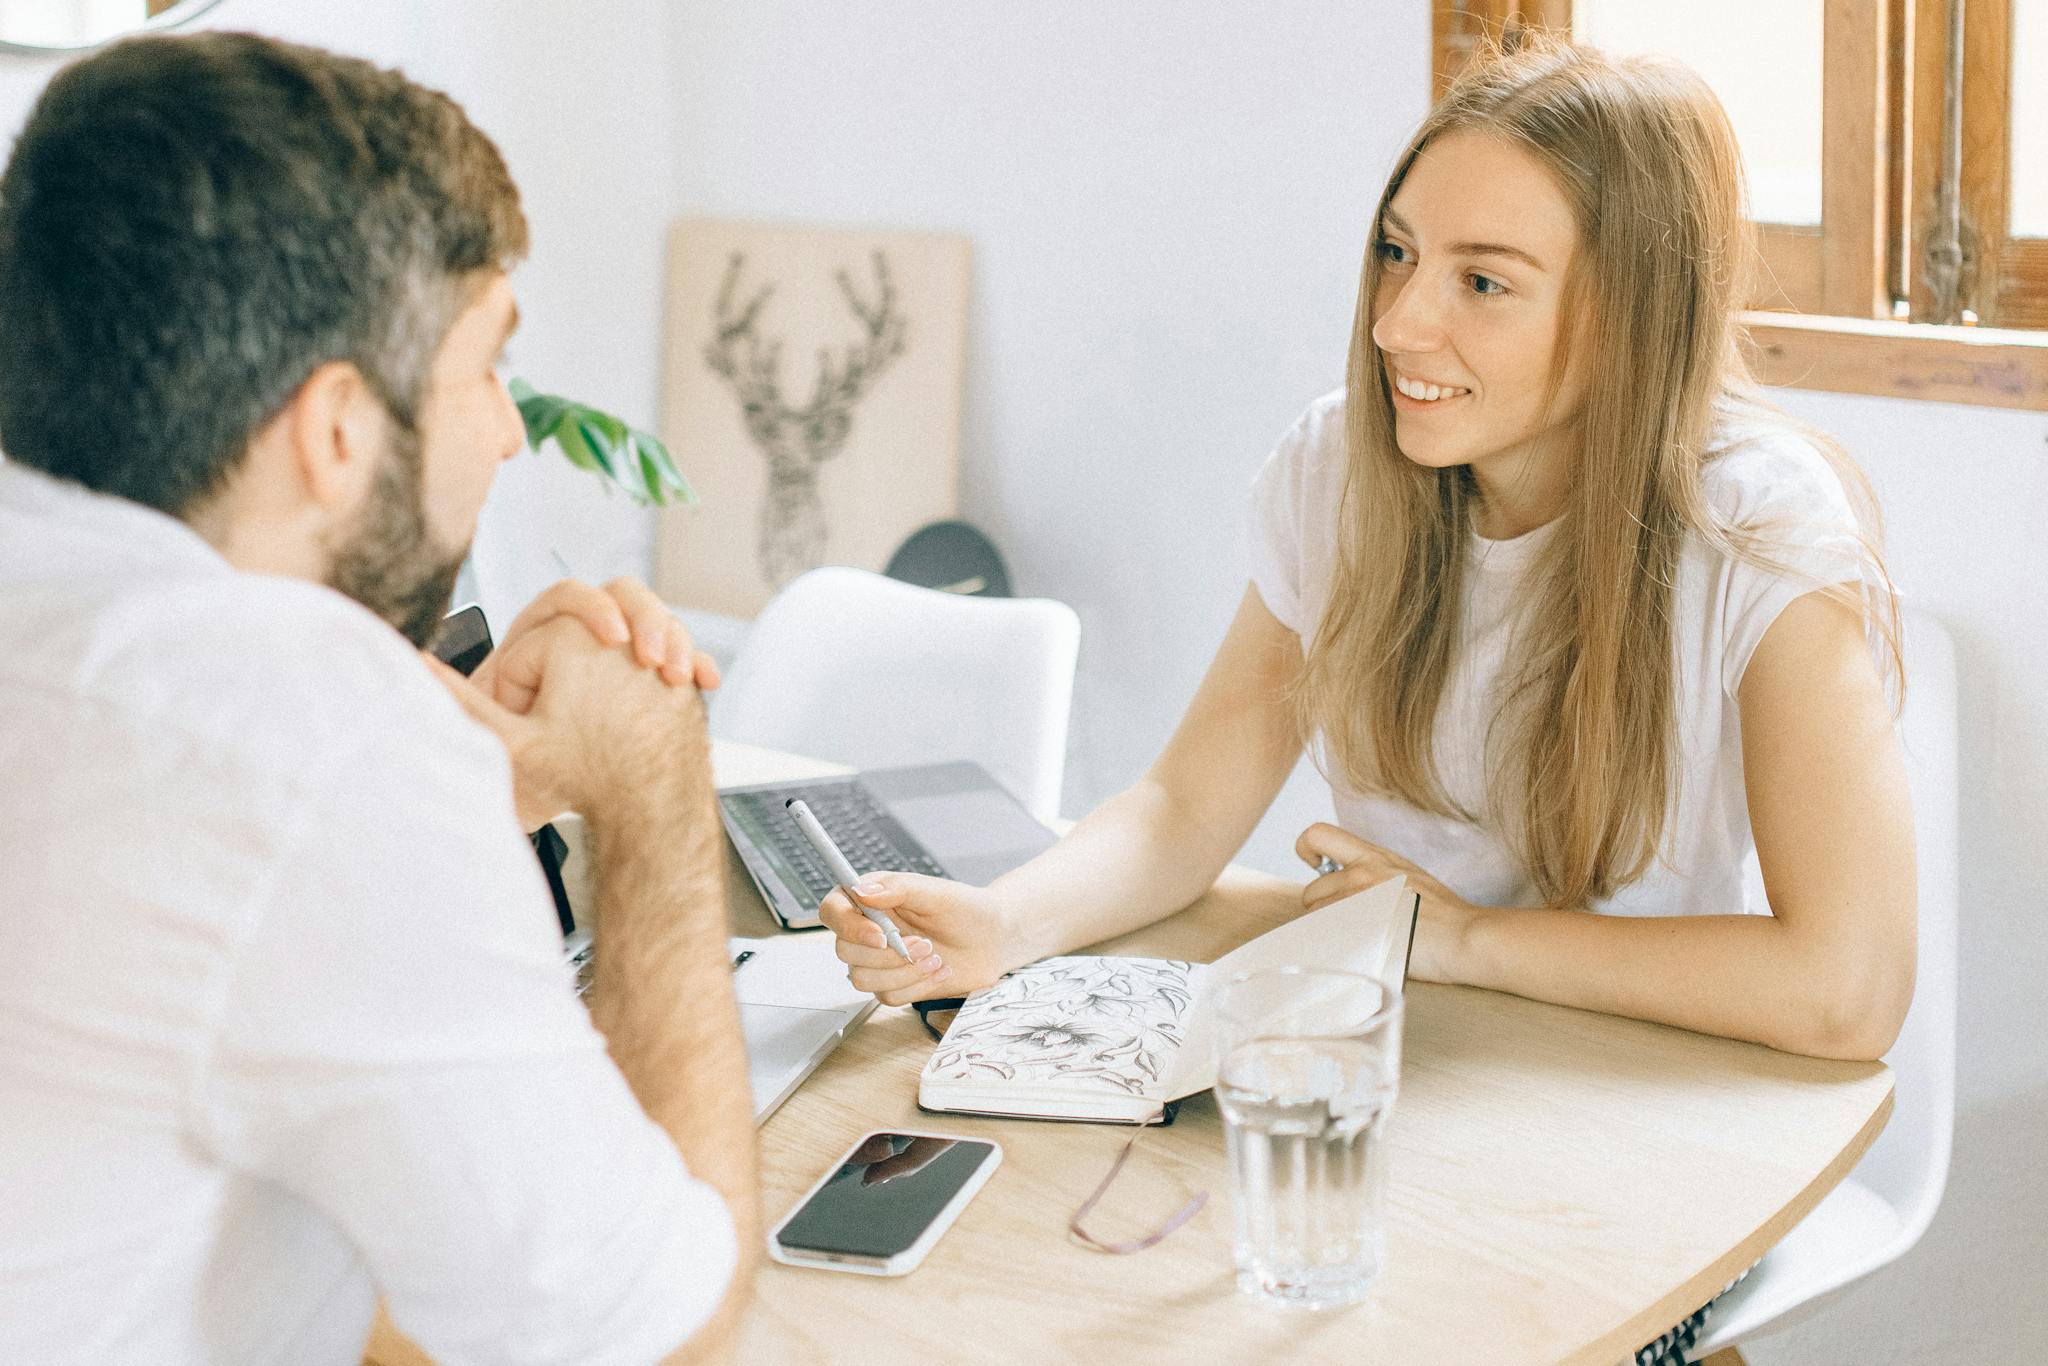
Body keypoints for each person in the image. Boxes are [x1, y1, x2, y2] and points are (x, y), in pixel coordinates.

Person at [821, 38, 1917, 1364]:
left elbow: (1848, 983)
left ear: (1632, 308)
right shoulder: (1341, 467)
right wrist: (1004, 924)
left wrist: (1454, 940)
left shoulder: (1760, 533)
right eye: (1397, 254)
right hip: (1387, 1080)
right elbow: (1182, 804)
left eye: (1482, 283)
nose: (1401, 323)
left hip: (1632, 1108)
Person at [0, 32, 756, 1365]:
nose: (513, 430)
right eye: (484, 368)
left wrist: (453, 799)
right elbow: (655, 1339)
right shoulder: (294, 732)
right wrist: (650, 790)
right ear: (338, 428)